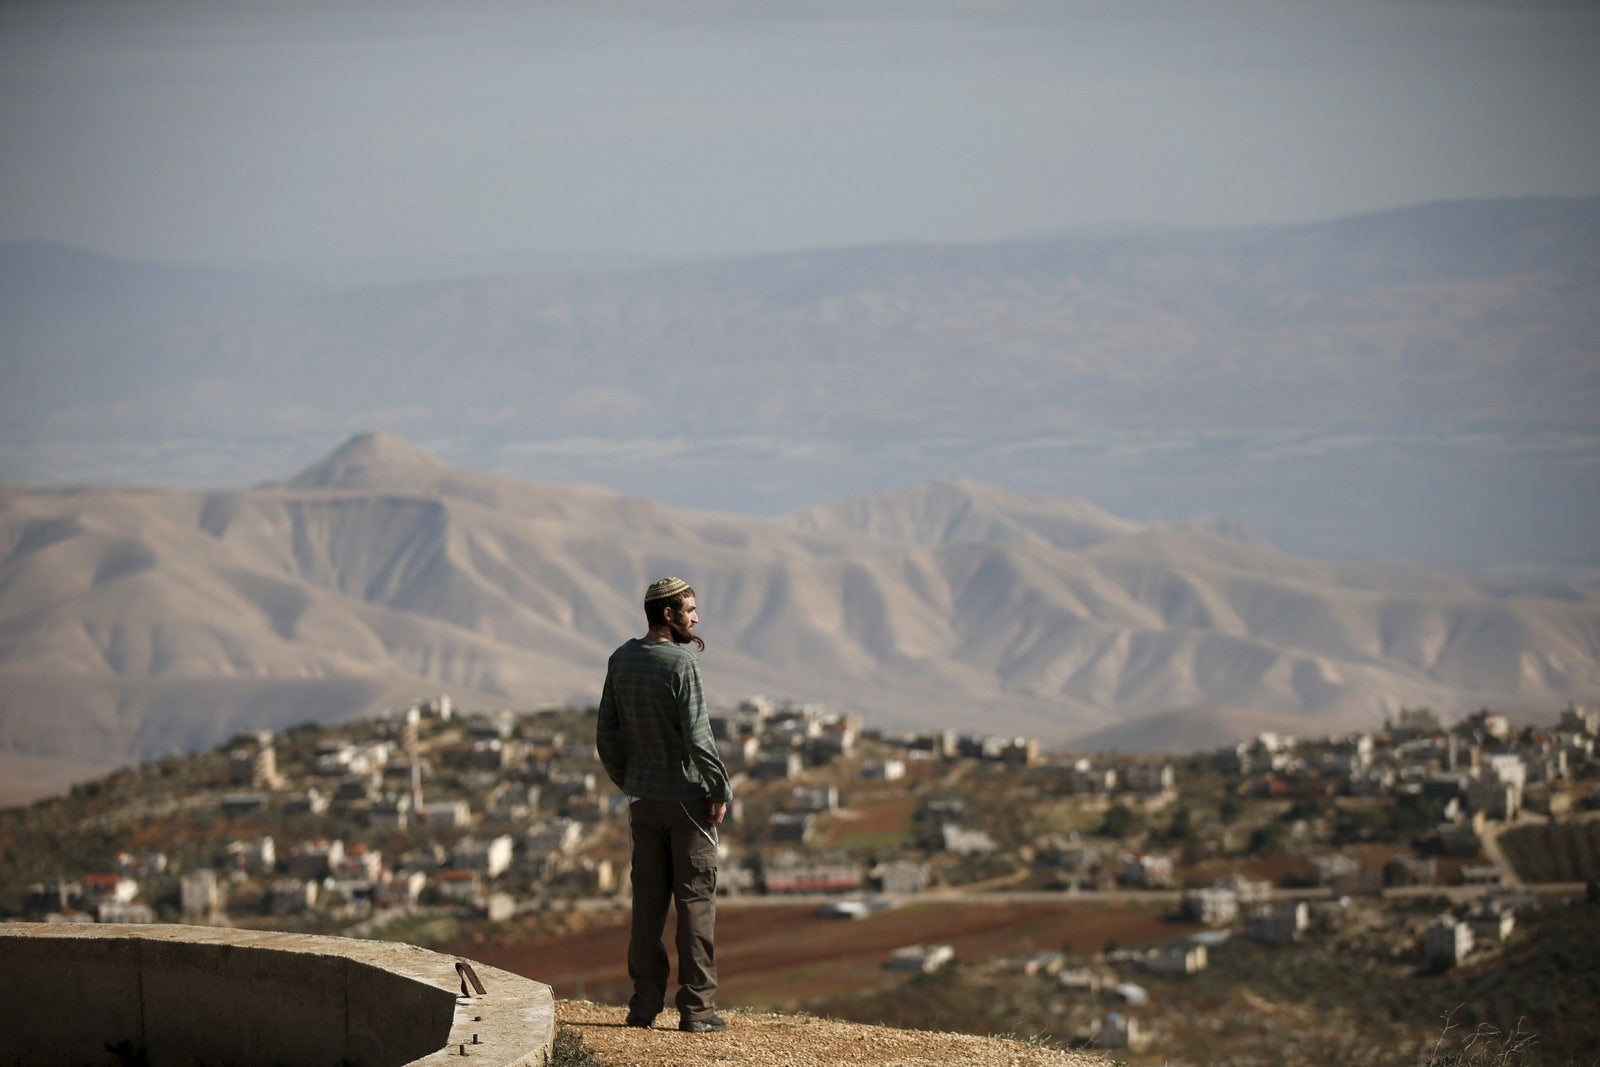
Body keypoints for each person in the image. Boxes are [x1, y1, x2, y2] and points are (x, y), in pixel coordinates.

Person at [596, 577, 733, 1034]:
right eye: (689, 609)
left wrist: (629, 783)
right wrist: (719, 789)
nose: (695, 618)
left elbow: (607, 735)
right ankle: (696, 1010)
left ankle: (643, 1008)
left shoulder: (621, 659)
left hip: (643, 802)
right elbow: (699, 737)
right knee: (695, 900)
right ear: (669, 615)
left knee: (647, 906)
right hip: (688, 802)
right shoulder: (681, 664)